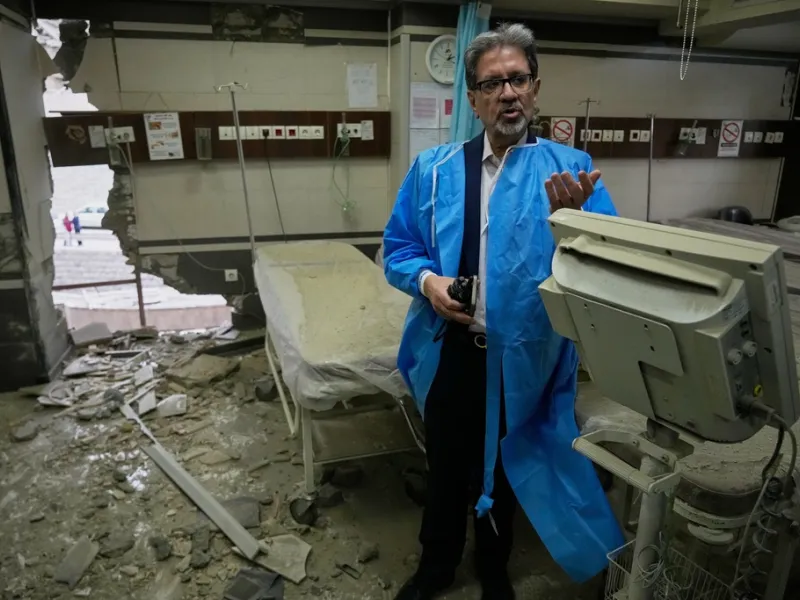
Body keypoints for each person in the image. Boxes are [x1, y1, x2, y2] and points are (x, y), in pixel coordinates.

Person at [383, 23, 624, 600]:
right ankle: (437, 567)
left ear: (535, 88)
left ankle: (494, 567)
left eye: (518, 79)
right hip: (452, 350)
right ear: (473, 99)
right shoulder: (435, 170)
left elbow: (608, 267)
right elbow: (398, 248)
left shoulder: (572, 173)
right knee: (446, 465)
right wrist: (429, 282)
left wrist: (577, 227)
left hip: (527, 356)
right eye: (492, 83)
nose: (507, 93)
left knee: (511, 463)